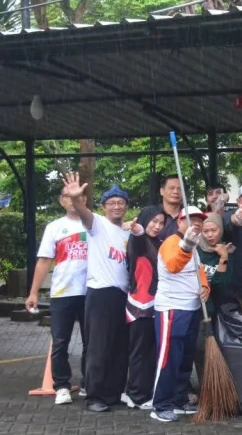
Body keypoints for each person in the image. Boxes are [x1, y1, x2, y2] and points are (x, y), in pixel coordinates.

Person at [63, 174, 131, 413]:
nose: (116, 206)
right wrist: (76, 199)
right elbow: (85, 214)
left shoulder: (126, 233)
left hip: (123, 295)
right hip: (100, 293)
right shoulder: (98, 224)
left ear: (126, 206)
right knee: (98, 347)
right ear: (104, 207)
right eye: (111, 202)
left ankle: (113, 393)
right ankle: (94, 396)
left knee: (119, 347)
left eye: (120, 202)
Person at [26, 186, 90, 405]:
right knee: (60, 342)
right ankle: (62, 386)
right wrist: (33, 292)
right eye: (68, 197)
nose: (73, 200)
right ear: (61, 201)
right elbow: (44, 260)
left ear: (84, 198)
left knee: (91, 342)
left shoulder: (95, 223)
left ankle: (88, 383)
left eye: (78, 196)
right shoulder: (54, 227)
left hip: (91, 292)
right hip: (63, 293)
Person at [150, 207, 209, 422]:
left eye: (199, 220)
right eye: (191, 219)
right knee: (169, 358)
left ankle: (179, 399)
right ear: (180, 221)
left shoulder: (195, 246)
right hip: (172, 309)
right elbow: (174, 265)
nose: (196, 223)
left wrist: (205, 287)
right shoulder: (171, 243)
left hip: (192, 308)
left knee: (185, 358)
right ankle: (160, 405)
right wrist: (186, 246)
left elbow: (199, 270)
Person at [122, 206, 167, 410]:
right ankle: (137, 396)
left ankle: (140, 391)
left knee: (149, 352)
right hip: (140, 306)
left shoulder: (159, 244)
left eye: (161, 223)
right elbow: (138, 235)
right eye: (153, 221)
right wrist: (137, 229)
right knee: (140, 352)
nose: (157, 226)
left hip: (155, 305)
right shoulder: (138, 242)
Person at [196, 212, 233, 323]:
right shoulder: (195, 249)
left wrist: (223, 258)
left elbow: (220, 284)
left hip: (219, 310)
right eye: (205, 231)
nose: (210, 235)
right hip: (198, 307)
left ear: (221, 229)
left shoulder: (228, 250)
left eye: (214, 230)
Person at [156, 175, 184, 241]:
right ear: (162, 191)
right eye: (171, 188)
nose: (176, 192)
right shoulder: (150, 213)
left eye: (179, 189)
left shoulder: (189, 216)